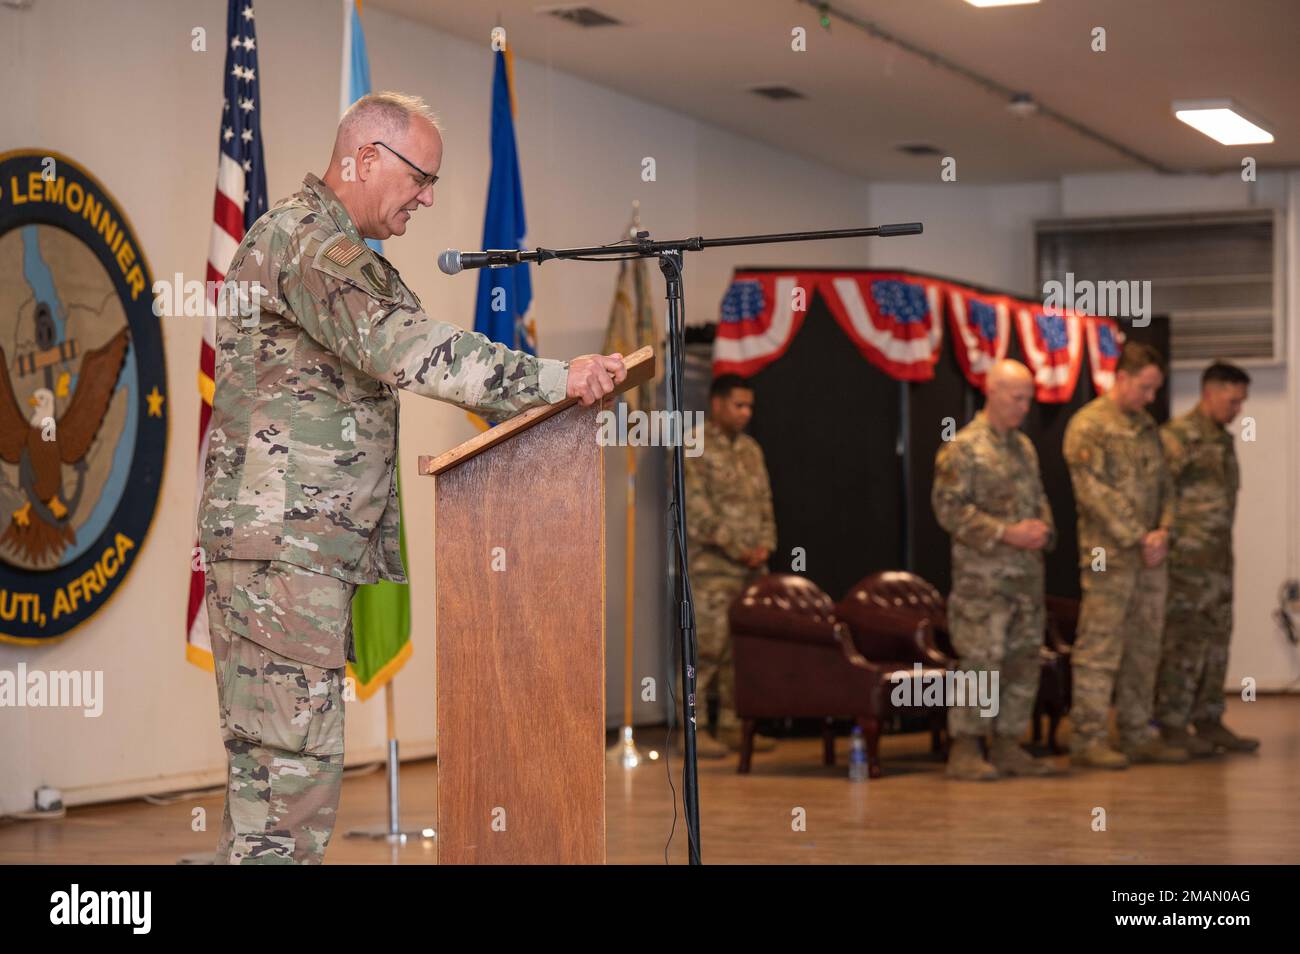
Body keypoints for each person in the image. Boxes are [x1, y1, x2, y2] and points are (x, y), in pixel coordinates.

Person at [197, 91, 626, 863]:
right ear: (363, 159)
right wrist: (558, 378)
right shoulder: (308, 244)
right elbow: (412, 349)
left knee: (278, 790)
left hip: (291, 554)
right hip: (283, 555)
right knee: (286, 796)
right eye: (420, 176)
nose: (428, 197)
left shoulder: (327, 247)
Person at [932, 360, 1065, 780]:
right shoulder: (962, 447)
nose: (1024, 407)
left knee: (1023, 662)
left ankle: (1009, 744)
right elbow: (948, 509)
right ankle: (967, 749)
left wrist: (1045, 530)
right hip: (984, 583)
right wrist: (1006, 533)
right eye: (1016, 397)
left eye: (1029, 399)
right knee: (982, 663)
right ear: (991, 391)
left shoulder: (1023, 448)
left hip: (1026, 580)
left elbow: (1039, 499)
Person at [1063, 342, 1186, 769]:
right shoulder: (1089, 426)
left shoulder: (1147, 428)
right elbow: (1094, 492)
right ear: (1121, 378)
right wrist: (1139, 536)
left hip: (1151, 556)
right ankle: (1089, 736)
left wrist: (1164, 530)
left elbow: (1168, 487)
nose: (1150, 397)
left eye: (1155, 389)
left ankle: (1135, 732)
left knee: (1145, 645)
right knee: (1100, 645)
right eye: (1145, 388)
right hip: (1108, 555)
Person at [1156, 361, 1258, 754]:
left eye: (1241, 403)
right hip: (1185, 562)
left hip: (1217, 561)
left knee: (1217, 639)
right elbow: (1161, 496)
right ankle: (1173, 722)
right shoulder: (1178, 437)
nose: (1238, 410)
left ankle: (1209, 717)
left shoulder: (1222, 439)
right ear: (1210, 392)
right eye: (1233, 401)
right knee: (1183, 642)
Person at [681, 375, 777, 757]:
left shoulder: (751, 450)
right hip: (712, 569)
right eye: (738, 405)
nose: (746, 413)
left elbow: (766, 502)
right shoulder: (695, 444)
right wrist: (738, 547)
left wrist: (765, 545)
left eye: (750, 407)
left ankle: (734, 725)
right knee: (704, 650)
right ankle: (696, 730)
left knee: (741, 652)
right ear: (717, 404)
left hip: (751, 569)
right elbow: (696, 511)